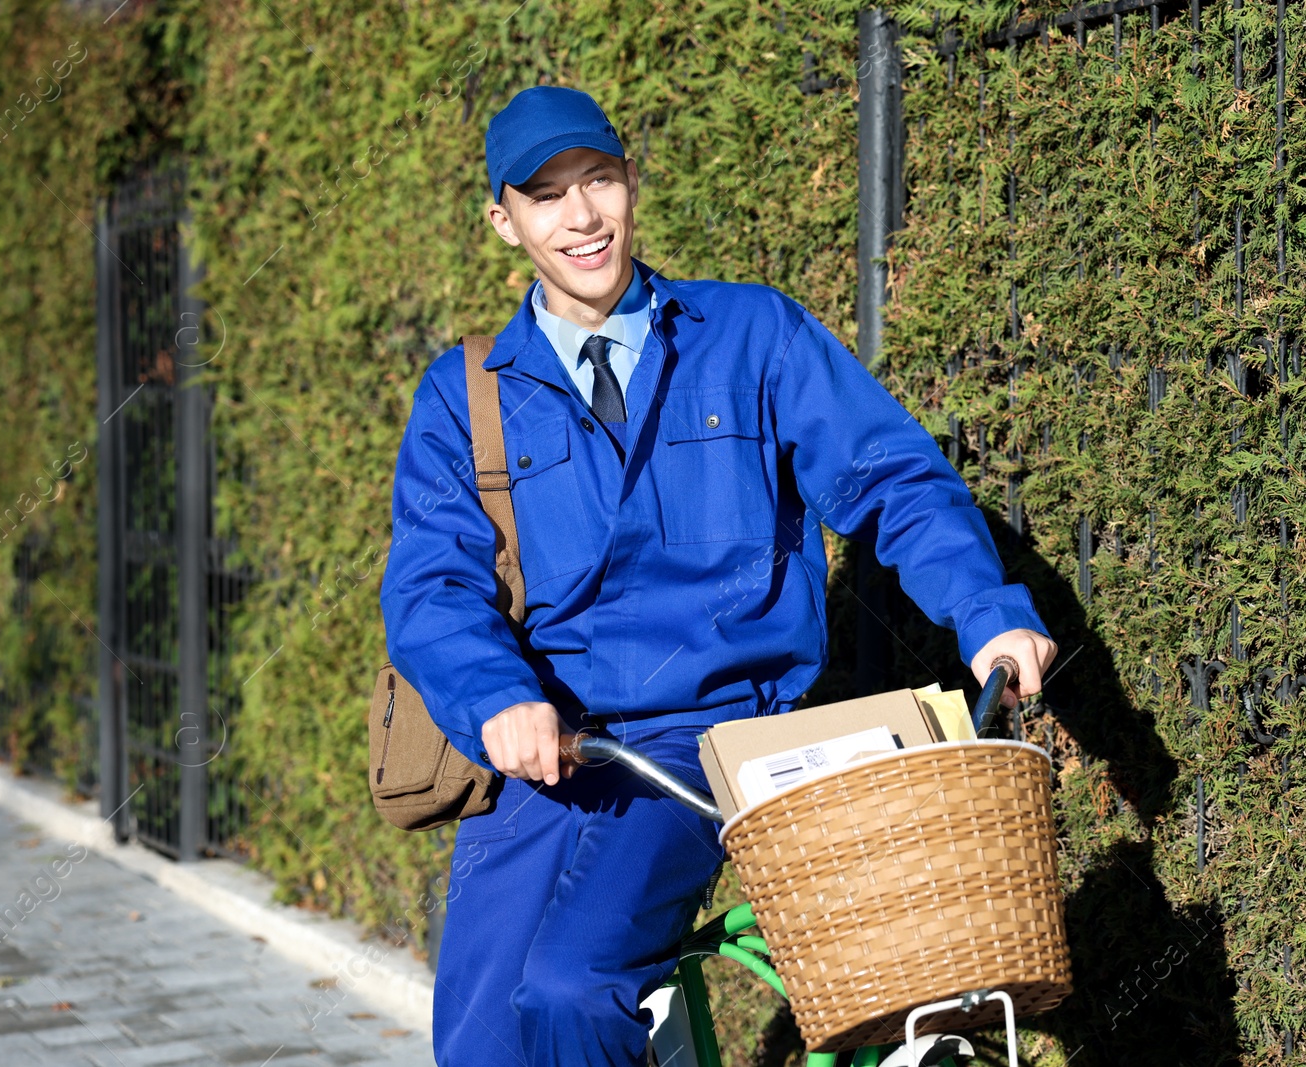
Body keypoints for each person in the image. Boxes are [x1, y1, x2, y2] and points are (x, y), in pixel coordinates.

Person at [380, 85, 1058, 1067]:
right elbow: (431, 585)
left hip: (707, 748)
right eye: (546, 196)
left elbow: (892, 480)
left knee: (572, 986)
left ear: (630, 185)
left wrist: (987, 611)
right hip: (547, 747)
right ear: (504, 220)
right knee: (481, 1037)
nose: (581, 216)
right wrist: (498, 698)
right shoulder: (465, 395)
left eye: (599, 181)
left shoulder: (751, 336)